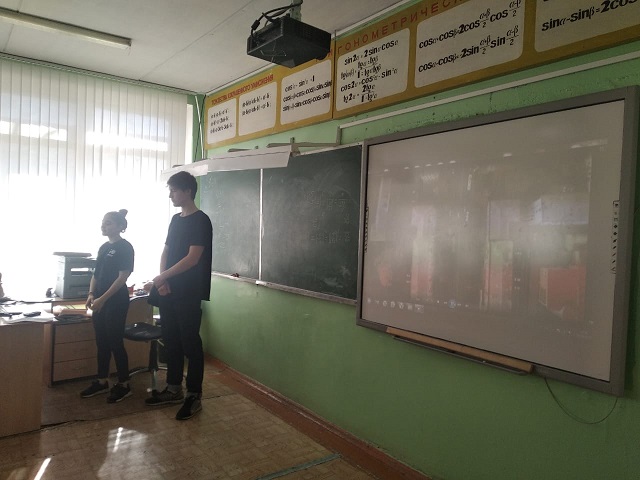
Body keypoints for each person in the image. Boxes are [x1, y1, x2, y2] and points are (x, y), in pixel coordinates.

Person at [145, 171, 212, 421]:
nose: (170, 195)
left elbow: (192, 258)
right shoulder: (175, 219)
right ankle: (173, 388)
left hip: (188, 292)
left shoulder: (201, 220)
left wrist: (162, 277)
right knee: (171, 340)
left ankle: (194, 395)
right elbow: (166, 251)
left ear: (187, 191)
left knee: (190, 342)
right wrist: (162, 280)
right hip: (168, 290)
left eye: (173, 190)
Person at [80, 209, 135, 403]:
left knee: (115, 342)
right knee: (102, 342)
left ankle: (124, 384)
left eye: (108, 223)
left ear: (120, 226)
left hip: (115, 301)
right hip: (99, 300)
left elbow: (122, 277)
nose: (103, 226)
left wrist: (102, 299)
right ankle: (102, 380)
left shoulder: (125, 247)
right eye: (103, 222)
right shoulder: (103, 247)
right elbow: (96, 274)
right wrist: (91, 294)